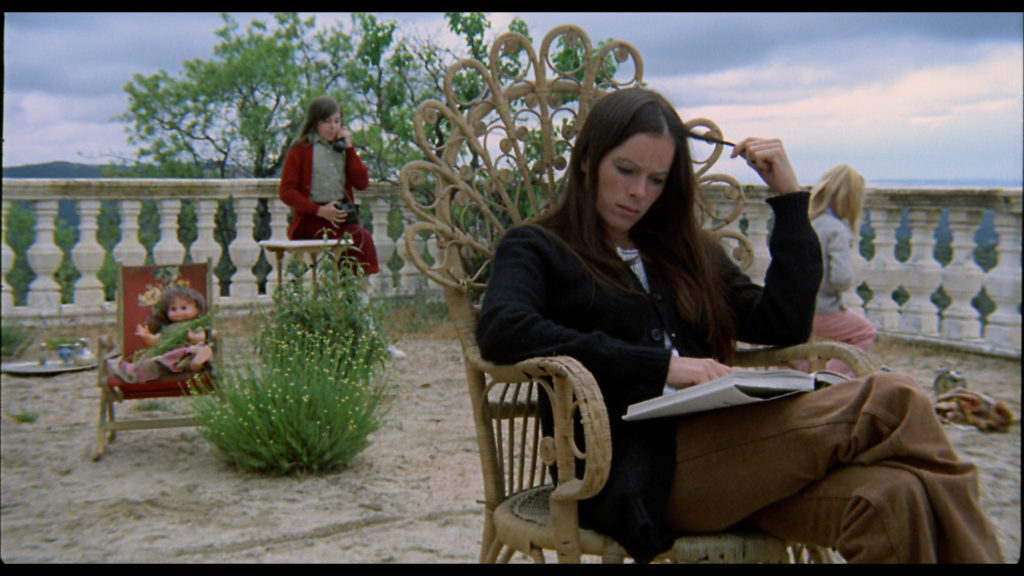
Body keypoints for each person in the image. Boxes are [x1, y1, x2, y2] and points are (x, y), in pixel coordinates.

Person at [475, 88, 1002, 563]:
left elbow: (783, 323)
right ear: (589, 160)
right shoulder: (539, 247)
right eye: (626, 170)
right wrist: (664, 367)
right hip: (628, 473)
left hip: (733, 459)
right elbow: (503, 328)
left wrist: (790, 199)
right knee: (893, 398)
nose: (639, 192)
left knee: (892, 499)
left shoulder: (684, 253)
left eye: (656, 180)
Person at [278, 95, 379, 277]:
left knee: (363, 240)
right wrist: (320, 211)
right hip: (311, 219)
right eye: (326, 122)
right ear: (315, 122)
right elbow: (287, 192)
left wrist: (349, 148)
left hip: (340, 218)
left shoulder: (343, 150)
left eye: (337, 121)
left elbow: (361, 183)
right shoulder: (300, 150)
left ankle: (357, 290)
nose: (332, 127)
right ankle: (339, 287)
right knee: (344, 245)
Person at [806, 164, 876, 377]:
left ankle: (793, 384)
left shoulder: (807, 221)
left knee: (797, 352)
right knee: (863, 332)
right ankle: (830, 381)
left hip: (794, 305)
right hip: (820, 308)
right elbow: (841, 278)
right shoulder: (836, 229)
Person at [111, 285, 213, 383]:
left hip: (185, 352)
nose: (178, 312)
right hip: (168, 356)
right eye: (173, 309)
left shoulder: (195, 325)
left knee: (193, 351)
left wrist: (194, 337)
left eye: (183, 308)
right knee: (155, 362)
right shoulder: (166, 328)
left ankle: (197, 362)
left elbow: (202, 337)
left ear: (197, 309)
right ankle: (133, 371)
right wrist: (147, 336)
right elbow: (155, 341)